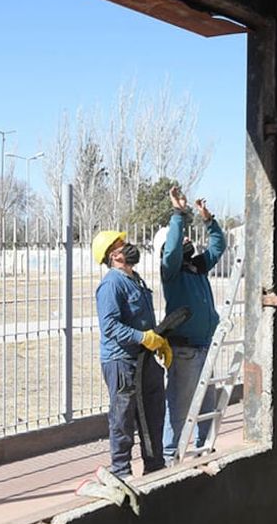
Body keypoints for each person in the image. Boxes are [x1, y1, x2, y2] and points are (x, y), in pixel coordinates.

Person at [153, 186, 227, 463]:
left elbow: (218, 246)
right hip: (184, 350)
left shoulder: (197, 268)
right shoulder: (170, 271)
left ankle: (204, 447)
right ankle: (171, 455)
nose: (186, 240)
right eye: (182, 238)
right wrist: (178, 214)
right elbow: (171, 249)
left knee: (207, 404)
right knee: (181, 406)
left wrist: (209, 220)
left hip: (205, 346)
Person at [92, 229, 172, 478]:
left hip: (144, 359)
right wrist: (143, 338)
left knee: (152, 413)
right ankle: (121, 471)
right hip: (121, 361)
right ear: (112, 254)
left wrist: (159, 342)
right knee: (123, 417)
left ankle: (154, 465)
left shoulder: (135, 279)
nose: (127, 246)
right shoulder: (111, 284)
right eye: (120, 244)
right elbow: (110, 326)